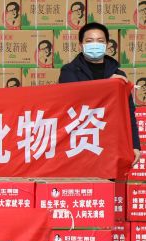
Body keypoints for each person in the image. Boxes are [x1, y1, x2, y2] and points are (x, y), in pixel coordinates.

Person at [59, 21, 140, 166]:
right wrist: (108, 85)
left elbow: (128, 113)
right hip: (80, 140)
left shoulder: (119, 74)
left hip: (110, 142)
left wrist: (135, 145)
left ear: (107, 44)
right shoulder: (69, 71)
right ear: (81, 45)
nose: (95, 44)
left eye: (100, 41)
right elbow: (73, 99)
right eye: (89, 41)